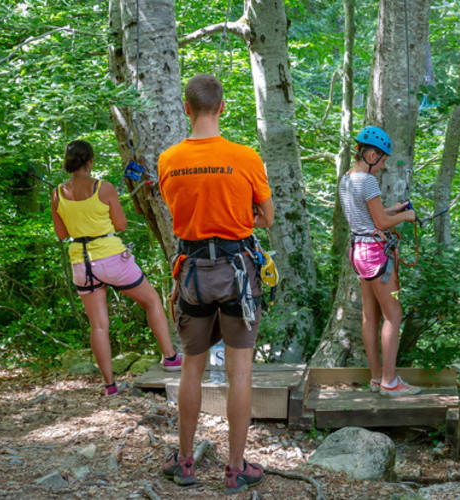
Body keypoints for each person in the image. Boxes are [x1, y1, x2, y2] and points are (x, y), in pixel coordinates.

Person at [158, 73, 273, 493]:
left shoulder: (169, 159)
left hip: (192, 275)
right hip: (238, 271)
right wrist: (242, 220)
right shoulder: (245, 158)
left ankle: (185, 462)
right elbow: (267, 215)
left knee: (193, 366)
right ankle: (235, 467)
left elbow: (178, 212)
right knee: (239, 372)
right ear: (222, 107)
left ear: (187, 108)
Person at [50, 140, 182, 396]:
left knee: (98, 325)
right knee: (152, 301)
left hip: (81, 262)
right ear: (90, 161)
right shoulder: (103, 188)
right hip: (111, 258)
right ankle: (170, 357)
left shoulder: (58, 193)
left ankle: (110, 386)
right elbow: (120, 224)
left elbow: (61, 233)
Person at [338, 126, 420, 396]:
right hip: (375, 253)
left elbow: (369, 215)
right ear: (371, 154)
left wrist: (392, 209)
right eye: (383, 159)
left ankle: (376, 379)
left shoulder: (347, 179)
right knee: (393, 315)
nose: (384, 165)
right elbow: (382, 223)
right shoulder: (368, 181)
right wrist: (405, 217)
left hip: (358, 252)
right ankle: (389, 381)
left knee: (369, 316)